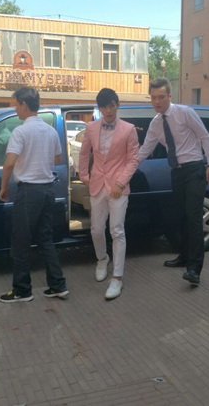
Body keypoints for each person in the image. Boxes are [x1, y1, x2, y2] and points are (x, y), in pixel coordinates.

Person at [138, 78, 209, 286]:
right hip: (177, 172)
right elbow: (144, 150)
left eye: (161, 97)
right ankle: (184, 256)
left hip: (194, 169)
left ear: (169, 96)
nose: (157, 102)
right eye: (153, 98)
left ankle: (194, 269)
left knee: (193, 217)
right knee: (179, 217)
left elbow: (205, 136)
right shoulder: (156, 124)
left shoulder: (185, 113)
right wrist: (125, 167)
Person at [0, 87, 69, 302]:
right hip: (48, 190)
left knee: (21, 241)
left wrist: (3, 187)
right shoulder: (50, 131)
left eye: (16, 104)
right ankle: (58, 285)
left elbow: (9, 163)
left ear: (24, 105)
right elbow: (58, 158)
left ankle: (22, 290)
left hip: (29, 192)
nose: (15, 109)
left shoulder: (20, 132)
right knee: (45, 239)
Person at [79, 88, 139, 299]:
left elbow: (133, 159)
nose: (108, 110)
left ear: (117, 105)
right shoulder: (91, 127)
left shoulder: (129, 129)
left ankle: (117, 278)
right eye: (104, 107)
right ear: (99, 108)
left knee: (117, 230)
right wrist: (84, 175)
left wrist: (121, 183)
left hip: (118, 188)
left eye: (112, 106)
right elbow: (84, 153)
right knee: (96, 229)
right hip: (97, 184)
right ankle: (102, 258)